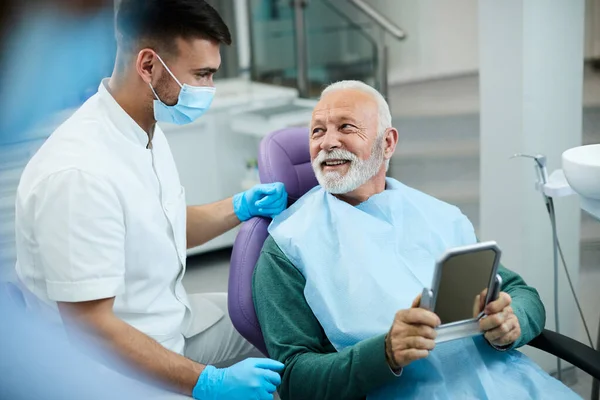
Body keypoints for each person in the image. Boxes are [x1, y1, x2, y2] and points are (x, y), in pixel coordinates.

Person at [14, 1, 286, 399]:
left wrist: (241, 206)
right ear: (148, 66)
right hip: (114, 374)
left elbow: (164, 227)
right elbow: (92, 328)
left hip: (169, 325)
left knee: (285, 316)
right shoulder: (78, 174)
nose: (208, 90)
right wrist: (205, 383)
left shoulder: (142, 127)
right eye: (202, 75)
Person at [252, 80, 581, 399]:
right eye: (318, 130)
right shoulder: (287, 247)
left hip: (506, 381)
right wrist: (384, 353)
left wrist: (513, 321)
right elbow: (294, 380)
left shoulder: (439, 216)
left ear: (388, 143)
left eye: (346, 127)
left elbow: (522, 294)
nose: (327, 142)